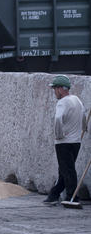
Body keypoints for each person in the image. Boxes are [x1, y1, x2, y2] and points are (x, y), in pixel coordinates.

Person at [44, 75, 85, 204]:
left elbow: (57, 119)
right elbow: (83, 114)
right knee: (64, 169)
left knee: (68, 170)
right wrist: (84, 128)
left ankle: (72, 197)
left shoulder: (62, 102)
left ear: (61, 89)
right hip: (76, 141)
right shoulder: (76, 99)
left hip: (64, 142)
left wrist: (59, 135)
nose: (54, 92)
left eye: (55, 89)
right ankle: (54, 195)